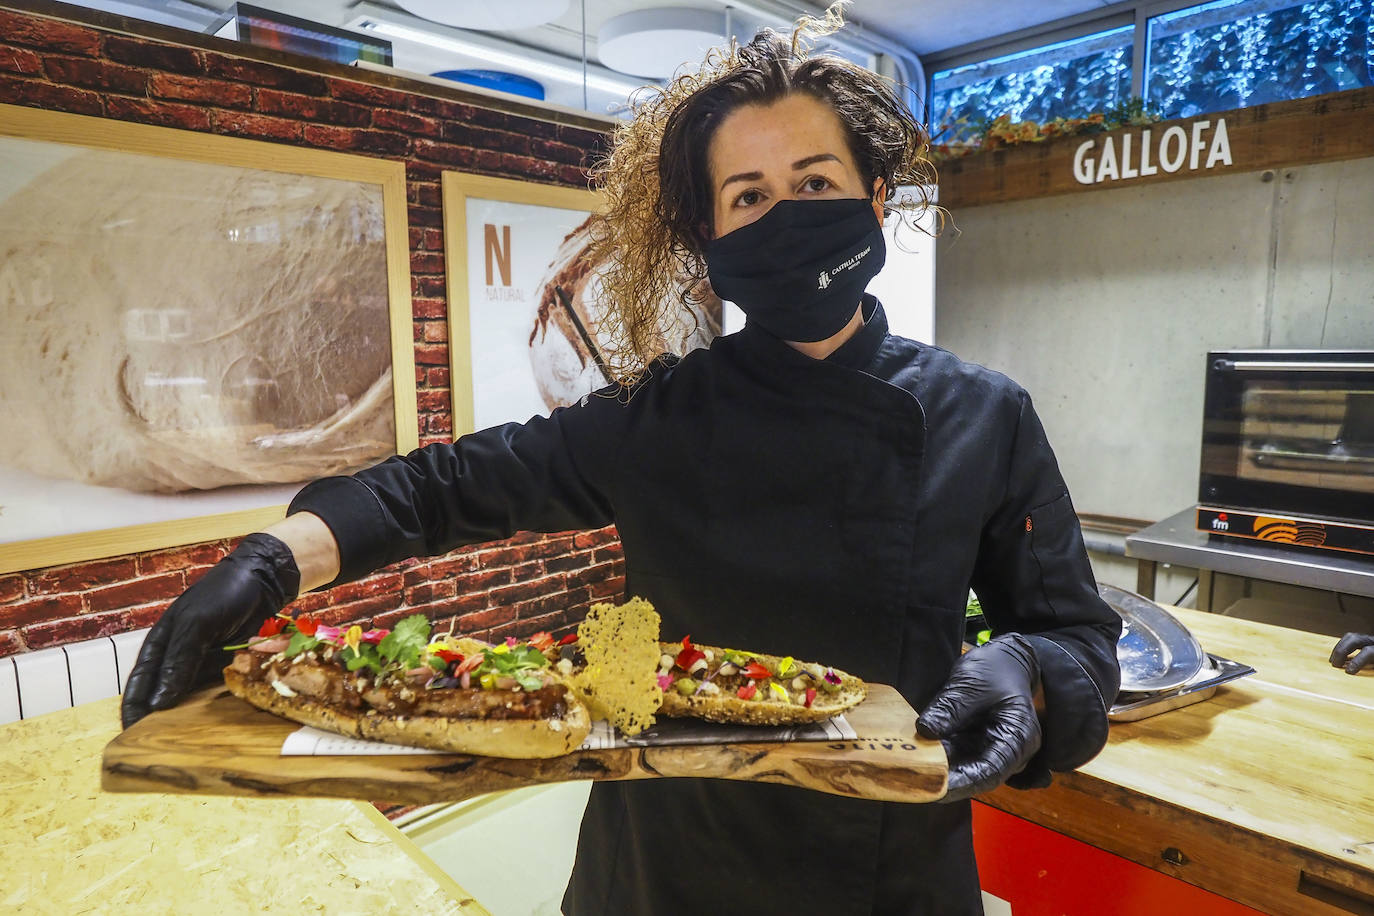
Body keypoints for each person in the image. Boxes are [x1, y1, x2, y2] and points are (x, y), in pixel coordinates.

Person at [122, 8, 1121, 914]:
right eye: (750, 196)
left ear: (875, 194)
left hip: (882, 878)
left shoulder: (984, 414)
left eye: (815, 183)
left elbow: (1080, 637)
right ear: (708, 236)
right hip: (659, 875)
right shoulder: (659, 417)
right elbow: (443, 487)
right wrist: (272, 558)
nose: (789, 214)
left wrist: (1028, 663)